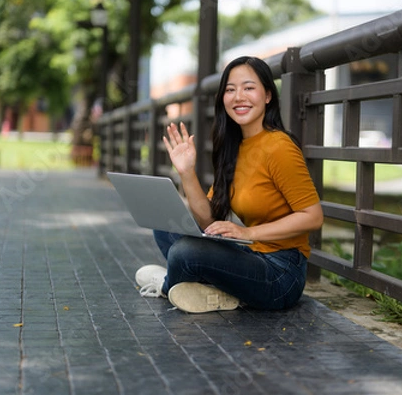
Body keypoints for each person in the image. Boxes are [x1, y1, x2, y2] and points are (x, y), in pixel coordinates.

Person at [136, 56, 323, 313]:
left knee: (183, 253)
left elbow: (313, 217)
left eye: (249, 88)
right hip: (247, 254)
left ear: (268, 95)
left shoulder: (279, 147)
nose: (238, 97)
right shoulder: (233, 146)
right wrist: (187, 172)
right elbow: (208, 221)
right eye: (230, 90)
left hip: (280, 273)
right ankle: (217, 292)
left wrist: (249, 233)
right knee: (166, 228)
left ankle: (169, 284)